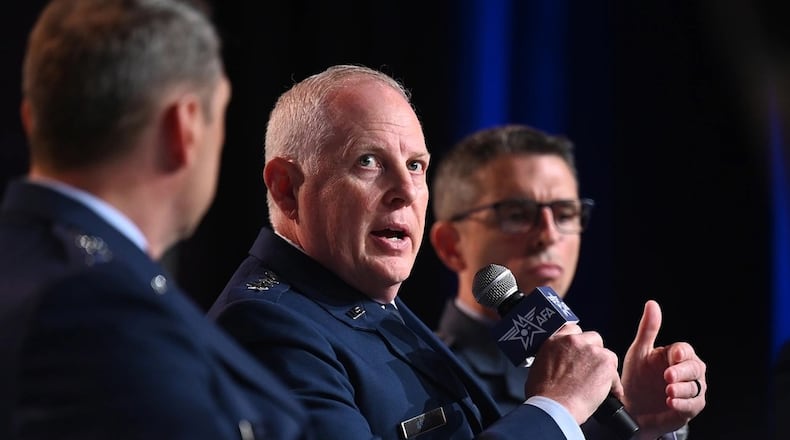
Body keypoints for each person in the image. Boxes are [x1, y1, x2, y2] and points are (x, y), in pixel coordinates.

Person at [209, 63, 631, 440]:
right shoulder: (265, 325)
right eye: (368, 161)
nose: (406, 191)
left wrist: (638, 423)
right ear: (287, 189)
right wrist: (555, 410)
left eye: (415, 166)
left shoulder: (366, 303)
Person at [0, 0, 315, 438]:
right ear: (185, 128)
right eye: (221, 112)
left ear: (32, 118)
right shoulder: (93, 310)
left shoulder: (41, 269)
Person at [428, 123, 708, 439]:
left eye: (564, 214)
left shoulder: (600, 372)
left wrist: (643, 423)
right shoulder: (428, 378)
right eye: (517, 215)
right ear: (451, 245)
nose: (549, 235)